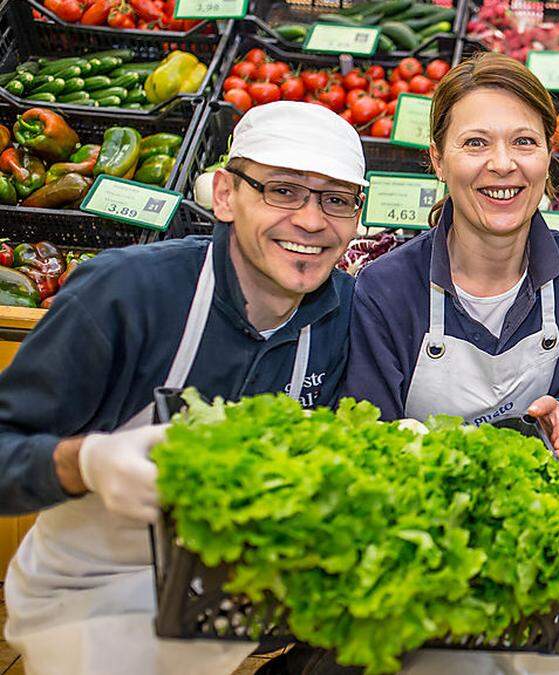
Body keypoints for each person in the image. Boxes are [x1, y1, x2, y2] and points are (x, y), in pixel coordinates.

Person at [0, 100, 366, 674]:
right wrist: (86, 462)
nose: (313, 221)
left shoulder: (342, 313)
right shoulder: (127, 293)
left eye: (336, 199)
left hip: (224, 610)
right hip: (89, 602)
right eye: (284, 190)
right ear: (224, 195)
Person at [335, 52, 559, 672]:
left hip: (536, 540)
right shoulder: (385, 288)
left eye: (524, 141)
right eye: (475, 143)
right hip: (419, 546)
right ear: (438, 160)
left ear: (549, 157)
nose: (503, 165)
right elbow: (367, 443)